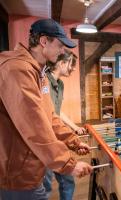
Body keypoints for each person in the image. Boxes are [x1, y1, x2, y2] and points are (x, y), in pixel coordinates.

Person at [0, 19, 92, 200]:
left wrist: (73, 141)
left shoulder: (37, 71)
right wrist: (68, 164)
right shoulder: (17, 69)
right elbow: (34, 126)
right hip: (16, 174)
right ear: (43, 41)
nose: (62, 51)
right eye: (60, 45)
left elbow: (49, 116)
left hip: (31, 168)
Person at [43, 50, 86, 199]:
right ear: (61, 63)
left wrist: (75, 128)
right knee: (46, 186)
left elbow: (57, 112)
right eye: (72, 64)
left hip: (56, 138)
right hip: (45, 142)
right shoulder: (44, 81)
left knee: (68, 181)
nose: (74, 68)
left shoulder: (60, 84)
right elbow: (45, 116)